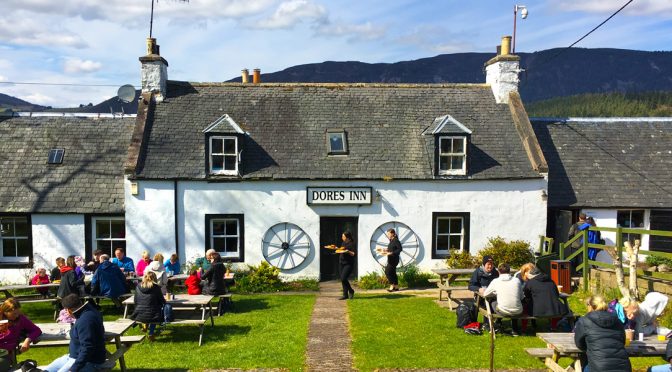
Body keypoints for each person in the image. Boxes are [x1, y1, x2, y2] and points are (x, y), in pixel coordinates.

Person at [43, 294, 106, 372]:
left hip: (89, 361)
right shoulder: (89, 310)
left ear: (69, 310)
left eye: (65, 310)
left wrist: (74, 368)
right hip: (72, 356)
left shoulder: (85, 321)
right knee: (46, 370)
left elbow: (88, 348)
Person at [574, 295, 632, 372]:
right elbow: (622, 341)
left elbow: (579, 344)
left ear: (590, 306)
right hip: (623, 367)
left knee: (582, 366)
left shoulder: (584, 321)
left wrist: (591, 346)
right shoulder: (617, 320)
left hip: (598, 367)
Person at [483, 263, 524, 335]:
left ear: (498, 271)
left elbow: (485, 294)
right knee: (513, 302)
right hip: (518, 311)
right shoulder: (516, 280)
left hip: (503, 311)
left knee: (493, 302)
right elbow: (521, 297)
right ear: (509, 271)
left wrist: (495, 293)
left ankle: (493, 325)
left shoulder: (496, 281)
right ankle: (515, 329)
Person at [130, 271, 167, 341]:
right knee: (155, 312)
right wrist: (164, 302)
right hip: (153, 313)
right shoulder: (156, 287)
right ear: (154, 278)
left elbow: (135, 300)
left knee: (148, 311)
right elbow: (161, 300)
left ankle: (144, 326)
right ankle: (151, 333)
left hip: (138, 313)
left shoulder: (138, 286)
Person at [337, 231, 356, 300]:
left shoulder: (352, 244)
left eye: (343, 236)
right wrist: (337, 249)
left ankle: (351, 291)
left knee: (343, 278)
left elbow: (354, 254)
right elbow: (341, 250)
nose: (342, 237)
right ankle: (345, 295)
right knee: (343, 280)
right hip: (341, 263)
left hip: (348, 264)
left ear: (347, 237)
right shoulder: (343, 243)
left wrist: (348, 251)